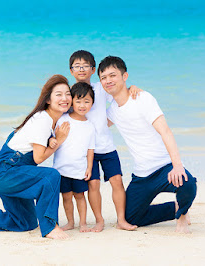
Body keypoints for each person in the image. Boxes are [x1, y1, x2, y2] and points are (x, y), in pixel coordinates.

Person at [0, 74, 73, 239]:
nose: (65, 98)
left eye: (68, 93)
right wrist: (59, 141)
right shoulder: (42, 119)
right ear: (48, 99)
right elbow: (38, 159)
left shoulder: (49, 120)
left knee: (25, 223)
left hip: (10, 171)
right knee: (51, 176)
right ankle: (50, 227)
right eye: (59, 94)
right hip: (7, 172)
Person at [98, 56, 197, 233]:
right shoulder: (112, 109)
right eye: (103, 77)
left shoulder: (143, 98)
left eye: (112, 75)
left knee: (187, 183)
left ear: (125, 76)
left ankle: (182, 216)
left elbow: (165, 131)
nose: (108, 80)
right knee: (131, 218)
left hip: (164, 167)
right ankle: (174, 208)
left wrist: (177, 166)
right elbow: (95, 125)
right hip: (142, 174)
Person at [68, 50, 138, 232]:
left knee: (117, 180)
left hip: (106, 147)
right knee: (93, 184)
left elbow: (120, 95)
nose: (81, 69)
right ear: (71, 71)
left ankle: (121, 219)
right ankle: (99, 220)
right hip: (85, 150)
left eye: (85, 66)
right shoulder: (70, 94)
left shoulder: (100, 87)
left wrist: (133, 88)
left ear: (93, 69)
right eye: (77, 66)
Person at [49, 82, 95, 233]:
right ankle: (70, 222)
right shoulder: (63, 119)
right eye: (78, 101)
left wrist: (89, 167)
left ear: (92, 103)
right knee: (66, 197)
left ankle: (83, 223)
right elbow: (52, 136)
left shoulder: (90, 126)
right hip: (61, 169)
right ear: (72, 102)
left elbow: (90, 149)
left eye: (87, 101)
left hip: (79, 170)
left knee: (80, 196)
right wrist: (51, 140)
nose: (82, 105)